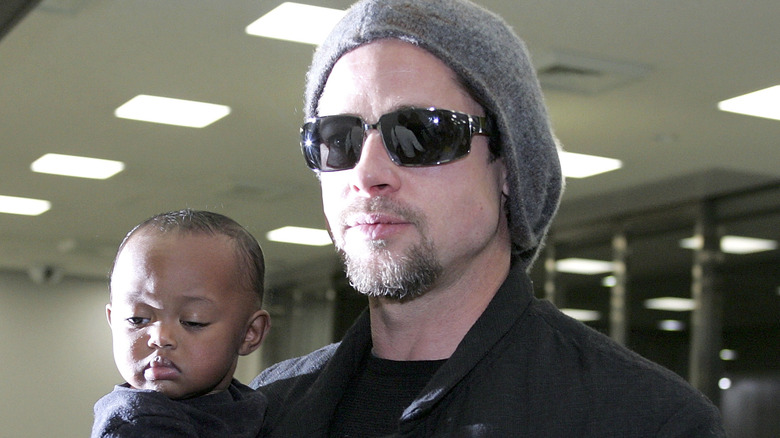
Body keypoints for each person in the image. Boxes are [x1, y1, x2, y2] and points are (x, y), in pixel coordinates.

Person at [253, 0, 725, 436]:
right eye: (337, 138)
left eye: (421, 134)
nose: (368, 173)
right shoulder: (261, 410)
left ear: (508, 168)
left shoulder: (643, 420)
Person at [92, 209, 271, 437]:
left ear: (250, 333)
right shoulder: (140, 423)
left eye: (192, 321)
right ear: (113, 321)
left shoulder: (254, 403)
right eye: (137, 319)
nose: (160, 337)